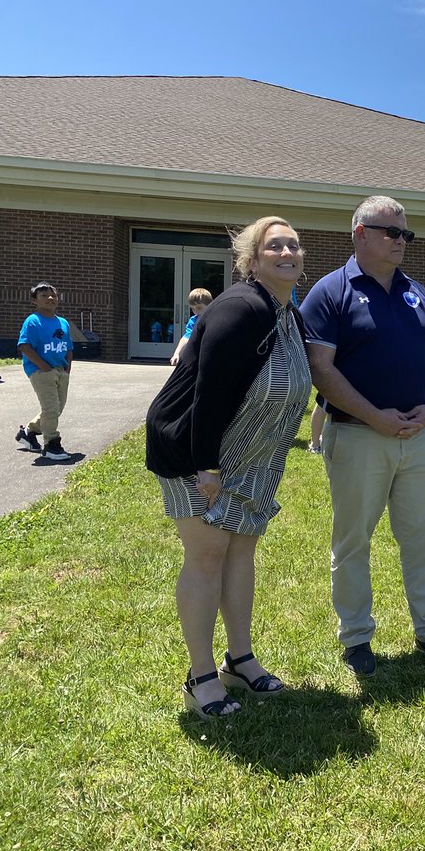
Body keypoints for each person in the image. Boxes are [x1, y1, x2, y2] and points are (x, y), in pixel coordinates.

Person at [145, 216, 311, 718]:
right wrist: (208, 467)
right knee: (208, 557)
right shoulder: (241, 308)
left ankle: (240, 659)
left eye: (294, 245)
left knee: (241, 552)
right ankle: (200, 678)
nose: (287, 253)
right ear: (251, 260)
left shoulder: (288, 314)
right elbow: (208, 391)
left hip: (253, 458)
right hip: (197, 453)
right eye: (274, 246)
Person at [301, 195, 425, 676]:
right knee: (353, 541)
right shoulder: (331, 292)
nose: (401, 241)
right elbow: (320, 368)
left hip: (417, 439)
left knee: (421, 538)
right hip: (357, 436)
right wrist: (373, 415)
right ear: (360, 233)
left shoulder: (416, 293)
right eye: (392, 232)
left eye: (406, 234)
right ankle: (356, 638)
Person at [16, 282, 74, 461]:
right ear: (34, 300)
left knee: (57, 409)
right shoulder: (33, 321)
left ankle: (29, 431)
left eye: (53, 295)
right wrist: (42, 366)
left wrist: (67, 367)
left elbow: (69, 347)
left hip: (60, 370)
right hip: (41, 371)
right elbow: (24, 346)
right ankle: (51, 445)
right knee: (50, 408)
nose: (50, 298)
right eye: (44, 295)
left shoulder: (62, 322)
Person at [170, 288, 213, 366]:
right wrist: (177, 353)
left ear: (210, 305)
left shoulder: (216, 318)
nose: (196, 311)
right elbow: (186, 337)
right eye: (192, 309)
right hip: (197, 356)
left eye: (199, 308)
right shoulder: (194, 320)